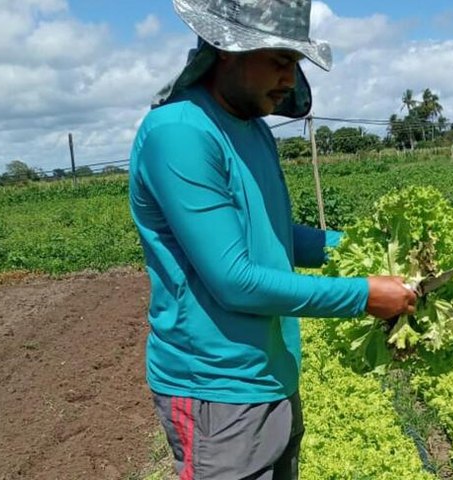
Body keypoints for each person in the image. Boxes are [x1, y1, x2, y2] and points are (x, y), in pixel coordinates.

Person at [128, 1, 416, 478]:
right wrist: (364, 295)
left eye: (295, 64)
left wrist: (363, 243)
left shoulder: (252, 128)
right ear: (227, 51)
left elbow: (275, 235)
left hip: (271, 372)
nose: (289, 79)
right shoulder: (180, 133)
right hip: (215, 390)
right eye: (280, 61)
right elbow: (235, 280)